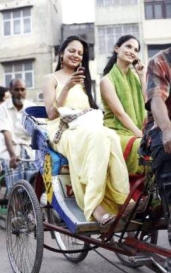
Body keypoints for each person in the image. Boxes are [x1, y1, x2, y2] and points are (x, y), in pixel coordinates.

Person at [43, 35, 137, 227]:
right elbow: (52, 114)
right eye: (71, 51)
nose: (76, 55)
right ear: (61, 53)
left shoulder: (83, 81)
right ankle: (95, 207)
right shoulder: (51, 79)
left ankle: (123, 200)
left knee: (109, 135)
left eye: (80, 53)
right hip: (63, 129)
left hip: (85, 126)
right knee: (98, 136)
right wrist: (67, 86)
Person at [100, 35, 147, 175]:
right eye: (128, 46)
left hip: (139, 129)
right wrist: (140, 135)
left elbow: (147, 103)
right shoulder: (106, 81)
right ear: (116, 48)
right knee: (144, 146)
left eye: (136, 49)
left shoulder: (136, 78)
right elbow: (119, 114)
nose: (132, 51)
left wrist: (142, 76)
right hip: (117, 132)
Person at [142, 47, 171, 217]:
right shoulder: (160, 61)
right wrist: (167, 129)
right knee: (167, 151)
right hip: (160, 125)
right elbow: (157, 98)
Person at [0, 79, 35, 168]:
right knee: (13, 178)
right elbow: (6, 133)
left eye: (22, 89)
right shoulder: (2, 108)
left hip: (29, 149)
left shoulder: (32, 107)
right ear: (10, 91)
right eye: (16, 90)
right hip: (9, 150)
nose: (20, 93)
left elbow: (38, 132)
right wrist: (12, 155)